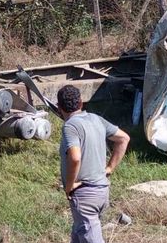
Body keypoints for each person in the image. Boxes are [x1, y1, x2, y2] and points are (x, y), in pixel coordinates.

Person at [57, 85, 130, 243]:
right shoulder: (96, 119)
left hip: (85, 196)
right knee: (78, 235)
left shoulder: (70, 126)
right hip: (102, 191)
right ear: (81, 103)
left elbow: (75, 158)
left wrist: (69, 186)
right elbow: (124, 139)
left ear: (59, 107)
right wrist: (109, 168)